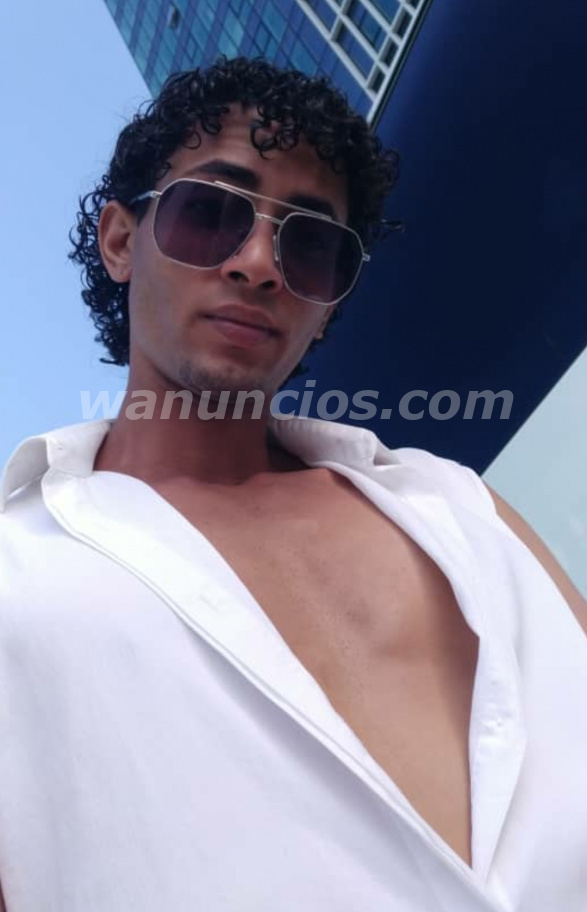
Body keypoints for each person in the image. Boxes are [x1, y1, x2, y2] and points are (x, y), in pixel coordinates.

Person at [0, 56, 585, 912]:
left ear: (329, 303)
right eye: (210, 213)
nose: (258, 263)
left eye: (310, 246)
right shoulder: (17, 575)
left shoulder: (452, 501)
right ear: (121, 241)